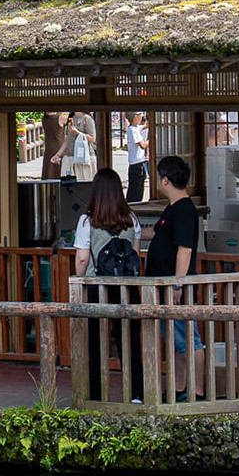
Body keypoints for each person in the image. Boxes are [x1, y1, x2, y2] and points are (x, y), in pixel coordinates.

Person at [74, 168, 145, 402]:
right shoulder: (131, 219)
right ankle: (136, 393)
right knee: (130, 340)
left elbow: (82, 258)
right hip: (126, 286)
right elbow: (134, 255)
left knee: (94, 341)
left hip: (97, 286)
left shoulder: (87, 221)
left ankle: (96, 393)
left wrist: (80, 279)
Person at [146, 154, 205, 400]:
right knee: (176, 338)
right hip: (164, 284)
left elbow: (185, 250)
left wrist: (178, 283)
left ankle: (197, 389)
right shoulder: (172, 209)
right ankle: (180, 387)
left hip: (176, 284)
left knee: (189, 337)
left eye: (159, 178)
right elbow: (156, 233)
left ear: (166, 180)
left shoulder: (183, 210)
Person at [125, 112, 151, 203]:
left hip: (137, 162)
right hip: (137, 163)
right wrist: (149, 140)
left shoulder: (135, 128)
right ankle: (133, 204)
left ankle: (133, 203)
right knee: (136, 187)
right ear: (135, 117)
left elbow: (146, 126)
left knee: (137, 185)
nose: (141, 117)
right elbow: (142, 145)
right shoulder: (133, 130)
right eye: (140, 115)